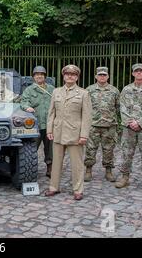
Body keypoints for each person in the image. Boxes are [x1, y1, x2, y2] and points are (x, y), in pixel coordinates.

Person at [45, 64, 92, 201]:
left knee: (77, 164)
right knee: (56, 163)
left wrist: (84, 135)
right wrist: (49, 130)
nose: (70, 76)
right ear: (63, 76)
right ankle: (54, 187)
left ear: (77, 77)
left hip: (75, 134)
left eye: (73, 74)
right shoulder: (56, 92)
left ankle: (78, 190)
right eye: (67, 74)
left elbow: (87, 116)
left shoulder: (83, 93)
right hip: (58, 131)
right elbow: (51, 113)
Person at [115, 63, 142, 193]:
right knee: (126, 153)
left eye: (141, 71)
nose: (139, 73)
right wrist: (130, 122)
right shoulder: (126, 89)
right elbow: (122, 107)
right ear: (133, 73)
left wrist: (140, 123)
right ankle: (125, 177)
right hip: (128, 128)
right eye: (136, 71)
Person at [84, 67, 120, 182]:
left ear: (108, 76)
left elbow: (118, 107)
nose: (102, 77)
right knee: (90, 149)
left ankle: (108, 171)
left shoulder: (114, 91)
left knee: (109, 149)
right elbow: (85, 107)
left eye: (104, 75)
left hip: (109, 126)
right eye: (100, 75)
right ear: (96, 76)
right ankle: (88, 171)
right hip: (93, 125)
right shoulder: (89, 90)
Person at [20, 66, 54, 177]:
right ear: (33, 77)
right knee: (32, 148)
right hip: (36, 125)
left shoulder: (52, 89)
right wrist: (27, 107)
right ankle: (30, 167)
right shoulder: (29, 90)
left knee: (50, 149)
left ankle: (50, 168)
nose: (39, 76)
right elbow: (23, 102)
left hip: (49, 125)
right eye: (37, 74)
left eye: (41, 74)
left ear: (45, 76)